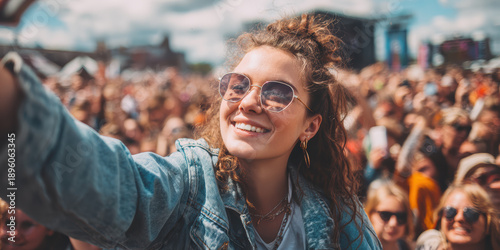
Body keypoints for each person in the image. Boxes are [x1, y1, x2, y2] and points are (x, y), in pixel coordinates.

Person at [0, 14, 381, 249]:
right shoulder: (187, 186)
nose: (249, 102)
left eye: (277, 93)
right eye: (238, 84)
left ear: (310, 126)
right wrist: (12, 107)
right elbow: (112, 186)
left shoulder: (339, 217)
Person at [416, 184, 500, 250]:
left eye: (470, 213)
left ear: (488, 221)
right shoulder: (427, 246)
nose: (459, 218)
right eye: (450, 211)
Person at [365, 181, 414, 250]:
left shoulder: (406, 246)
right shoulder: (357, 246)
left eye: (401, 217)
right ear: (370, 214)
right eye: (385, 215)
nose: (393, 223)